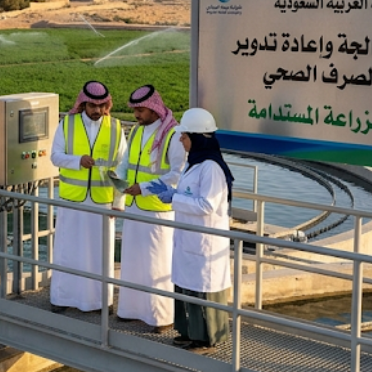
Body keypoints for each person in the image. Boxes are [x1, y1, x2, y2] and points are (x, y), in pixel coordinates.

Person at [146, 107, 234, 352]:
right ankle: (189, 333)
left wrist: (173, 199)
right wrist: (174, 194)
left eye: (184, 136)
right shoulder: (194, 164)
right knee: (187, 287)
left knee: (202, 292)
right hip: (189, 238)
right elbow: (190, 194)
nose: (181, 140)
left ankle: (207, 338)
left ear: (196, 137)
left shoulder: (211, 168)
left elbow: (208, 204)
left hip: (204, 242)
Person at [49, 80, 127, 313]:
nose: (97, 111)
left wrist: (118, 202)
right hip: (72, 200)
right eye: (93, 105)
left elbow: (123, 167)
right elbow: (55, 156)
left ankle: (100, 303)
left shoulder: (116, 127)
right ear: (83, 103)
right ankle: (62, 299)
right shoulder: (67, 124)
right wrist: (77, 161)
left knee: (100, 255)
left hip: (102, 202)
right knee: (67, 251)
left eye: (102, 106)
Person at [116, 86, 186, 333]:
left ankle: (161, 317)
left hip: (158, 211)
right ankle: (130, 310)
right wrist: (118, 180)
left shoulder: (174, 135)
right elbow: (126, 164)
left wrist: (143, 188)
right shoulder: (136, 131)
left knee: (157, 265)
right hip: (135, 209)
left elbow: (178, 176)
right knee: (133, 262)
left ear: (155, 108)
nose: (136, 114)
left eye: (141, 110)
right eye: (134, 110)